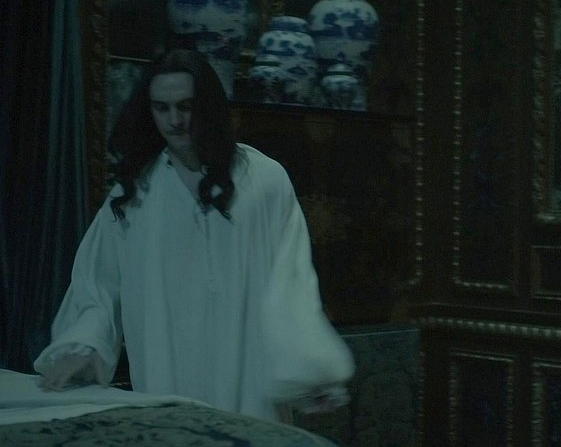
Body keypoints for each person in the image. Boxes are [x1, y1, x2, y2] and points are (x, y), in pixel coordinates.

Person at [33, 49, 355, 422]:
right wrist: (85, 344)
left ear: (208, 107)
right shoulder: (133, 196)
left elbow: (292, 281)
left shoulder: (264, 181)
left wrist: (309, 368)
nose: (175, 121)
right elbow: (97, 285)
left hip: (251, 388)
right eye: (162, 108)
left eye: (185, 106)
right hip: (168, 380)